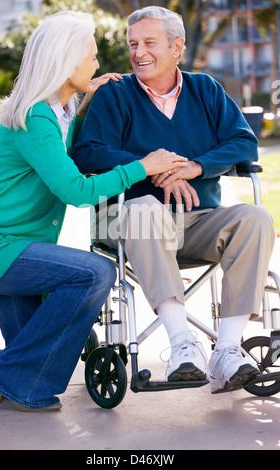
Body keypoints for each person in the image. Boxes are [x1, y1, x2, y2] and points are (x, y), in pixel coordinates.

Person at [0, 10, 184, 412]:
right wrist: (143, 166)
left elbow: (64, 150)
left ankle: (7, 376)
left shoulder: (53, 112)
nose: (97, 64)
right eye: (90, 57)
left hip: (19, 247)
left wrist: (80, 95)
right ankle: (14, 381)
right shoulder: (36, 115)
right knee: (96, 272)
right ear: (65, 61)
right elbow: (75, 189)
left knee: (24, 359)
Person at [72, 6, 276, 394]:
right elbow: (88, 152)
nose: (139, 52)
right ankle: (183, 344)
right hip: (127, 220)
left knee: (255, 217)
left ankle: (228, 352)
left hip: (195, 219)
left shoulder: (205, 89)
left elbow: (243, 140)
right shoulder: (114, 95)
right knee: (146, 209)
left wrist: (196, 167)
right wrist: (151, 167)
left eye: (149, 42)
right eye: (133, 44)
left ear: (177, 46)